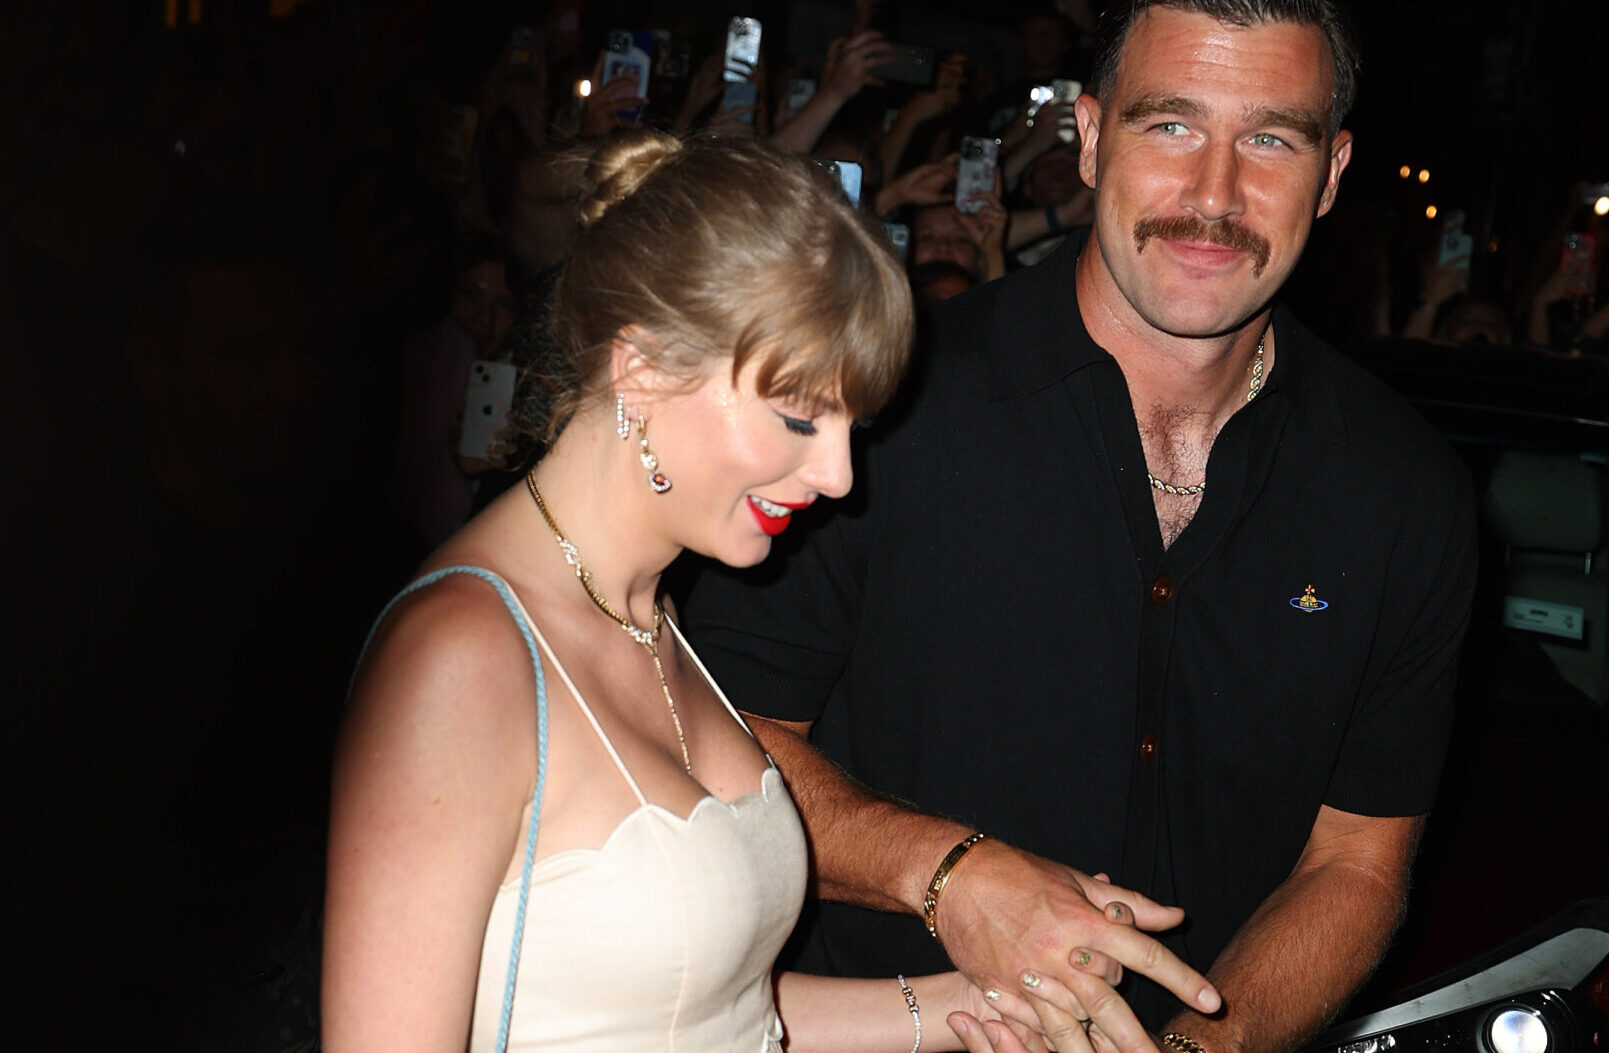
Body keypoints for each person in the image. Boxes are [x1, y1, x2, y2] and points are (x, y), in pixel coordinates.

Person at [679, 0, 1477, 1052]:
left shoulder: (1403, 491)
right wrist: (946, 876)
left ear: (1332, 172)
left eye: (1266, 140)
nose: (1213, 194)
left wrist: (1196, 1045)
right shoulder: (882, 407)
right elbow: (711, 732)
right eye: (1169, 126)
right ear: (1092, 139)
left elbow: (1355, 863)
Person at [322, 131, 1178, 1051]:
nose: (842, 475)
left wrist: (1000, 997)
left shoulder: (652, 616)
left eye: (855, 422)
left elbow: (724, 1015)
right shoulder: (461, 655)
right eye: (801, 416)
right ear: (642, 367)